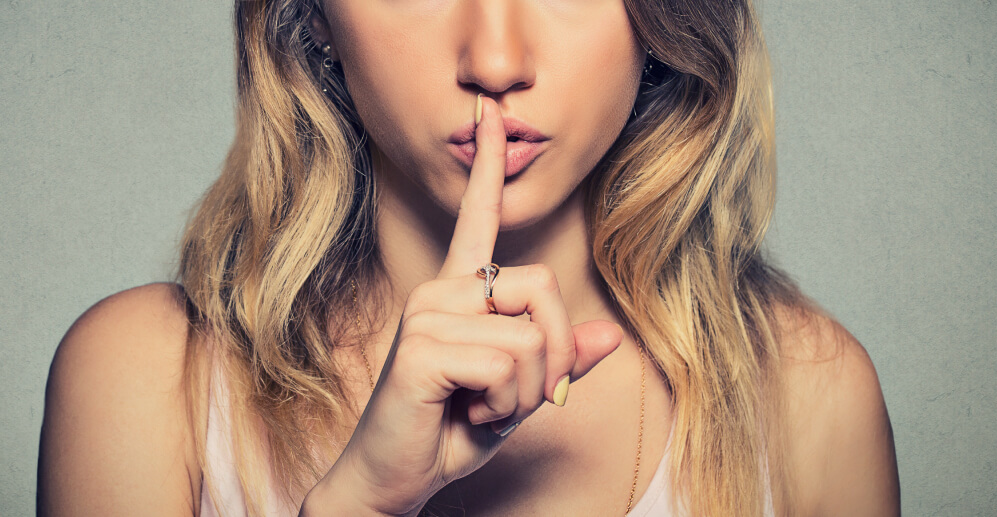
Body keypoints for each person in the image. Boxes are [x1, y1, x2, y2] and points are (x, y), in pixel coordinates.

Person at [37, 0, 901, 515]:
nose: (495, 60)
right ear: (314, 18)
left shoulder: (805, 399)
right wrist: (361, 502)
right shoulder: (144, 385)